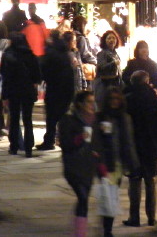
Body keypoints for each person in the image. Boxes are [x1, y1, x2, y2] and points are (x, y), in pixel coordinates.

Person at [58, 91, 105, 237]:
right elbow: (65, 144)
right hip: (73, 166)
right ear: (80, 104)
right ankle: (80, 233)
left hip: (88, 167)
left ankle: (78, 224)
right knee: (83, 198)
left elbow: (98, 145)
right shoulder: (68, 120)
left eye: (93, 102)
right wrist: (79, 138)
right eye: (89, 102)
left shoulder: (95, 121)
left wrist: (100, 162)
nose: (93, 105)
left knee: (83, 200)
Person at [94, 87, 139, 237]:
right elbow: (96, 141)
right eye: (111, 99)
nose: (114, 102)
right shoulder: (100, 117)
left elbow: (129, 141)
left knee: (112, 196)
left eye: (117, 99)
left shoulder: (124, 118)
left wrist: (133, 163)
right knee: (108, 196)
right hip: (105, 163)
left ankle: (107, 227)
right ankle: (107, 229)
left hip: (118, 164)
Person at [123, 70, 157, 227]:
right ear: (147, 82)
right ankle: (152, 217)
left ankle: (134, 217)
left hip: (133, 145)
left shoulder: (127, 98)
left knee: (134, 182)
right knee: (151, 182)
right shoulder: (153, 99)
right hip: (150, 145)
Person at [0, 32, 41, 157]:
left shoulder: (8, 56)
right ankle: (28, 147)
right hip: (27, 91)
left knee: (14, 118)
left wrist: (4, 95)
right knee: (28, 120)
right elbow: (37, 76)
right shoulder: (31, 55)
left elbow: (4, 76)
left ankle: (14, 146)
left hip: (13, 91)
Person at [36, 33, 75, 151]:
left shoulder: (51, 53)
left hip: (55, 89)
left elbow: (44, 70)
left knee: (51, 117)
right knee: (62, 116)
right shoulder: (65, 53)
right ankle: (65, 140)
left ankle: (49, 141)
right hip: (67, 88)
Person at [94, 30, 123, 107]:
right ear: (104, 41)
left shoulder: (115, 53)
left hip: (115, 84)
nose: (111, 40)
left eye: (113, 38)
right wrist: (113, 63)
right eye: (109, 38)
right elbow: (101, 67)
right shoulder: (102, 53)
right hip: (105, 85)